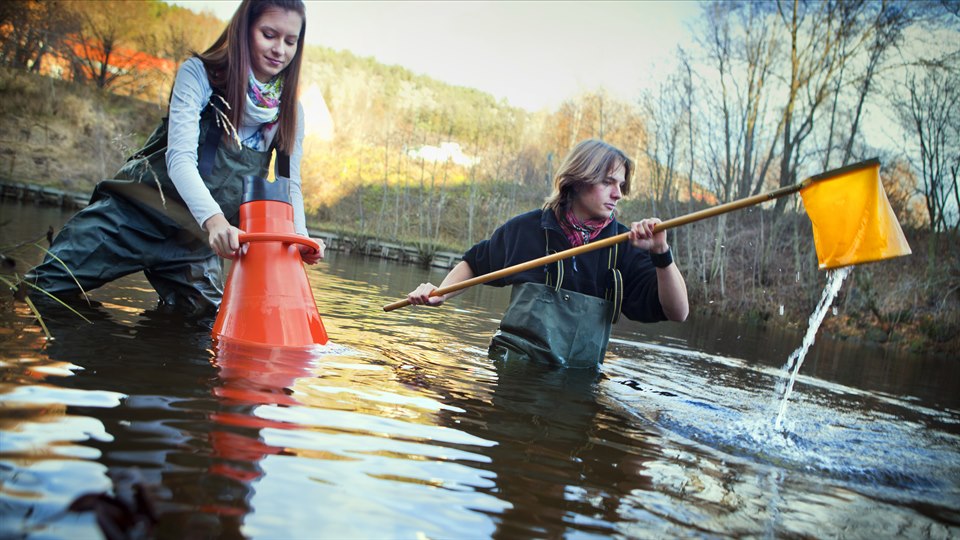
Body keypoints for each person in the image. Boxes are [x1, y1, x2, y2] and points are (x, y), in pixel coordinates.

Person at [27, 0, 324, 316]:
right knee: (40, 293)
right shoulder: (197, 74)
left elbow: (290, 186)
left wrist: (300, 238)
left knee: (206, 332)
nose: (280, 49)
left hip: (193, 244)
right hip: (133, 216)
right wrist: (217, 222)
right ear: (244, 30)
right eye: (269, 34)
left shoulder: (291, 112)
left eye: (290, 41)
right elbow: (180, 160)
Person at [407, 139, 688, 368]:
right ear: (578, 180)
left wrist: (661, 252)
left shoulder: (624, 246)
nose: (618, 194)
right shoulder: (526, 229)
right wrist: (441, 293)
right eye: (607, 182)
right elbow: (475, 263)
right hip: (513, 369)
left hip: (577, 380)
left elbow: (679, 312)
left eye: (621, 185)